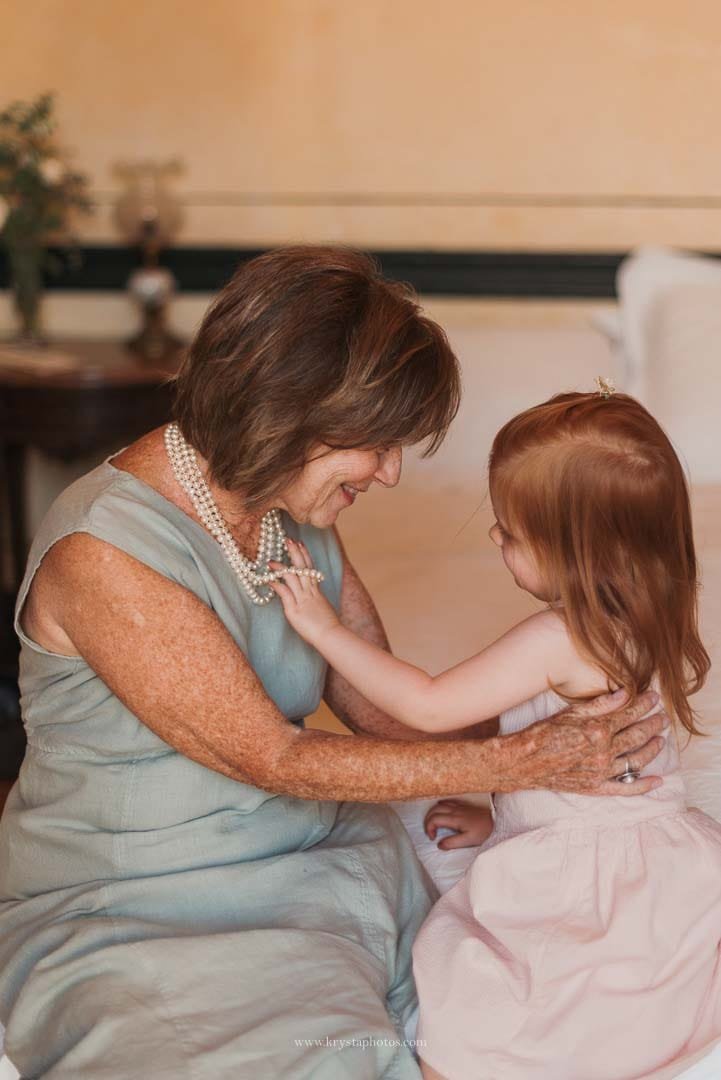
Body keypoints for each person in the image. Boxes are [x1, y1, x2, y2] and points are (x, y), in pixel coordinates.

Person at [0, 249, 665, 1080]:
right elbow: (272, 757)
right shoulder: (105, 554)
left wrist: (564, 716)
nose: (390, 472)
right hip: (145, 900)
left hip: (317, 858)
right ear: (288, 412)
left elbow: (381, 706)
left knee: (544, 995)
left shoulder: (288, 508)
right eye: (378, 443)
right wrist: (519, 761)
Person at [272, 387, 721, 1079]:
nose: (493, 539)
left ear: (573, 551)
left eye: (510, 534)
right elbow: (603, 786)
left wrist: (324, 629)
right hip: (661, 862)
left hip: (593, 881)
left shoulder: (558, 637)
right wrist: (505, 819)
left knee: (487, 1014)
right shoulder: (650, 610)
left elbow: (426, 706)